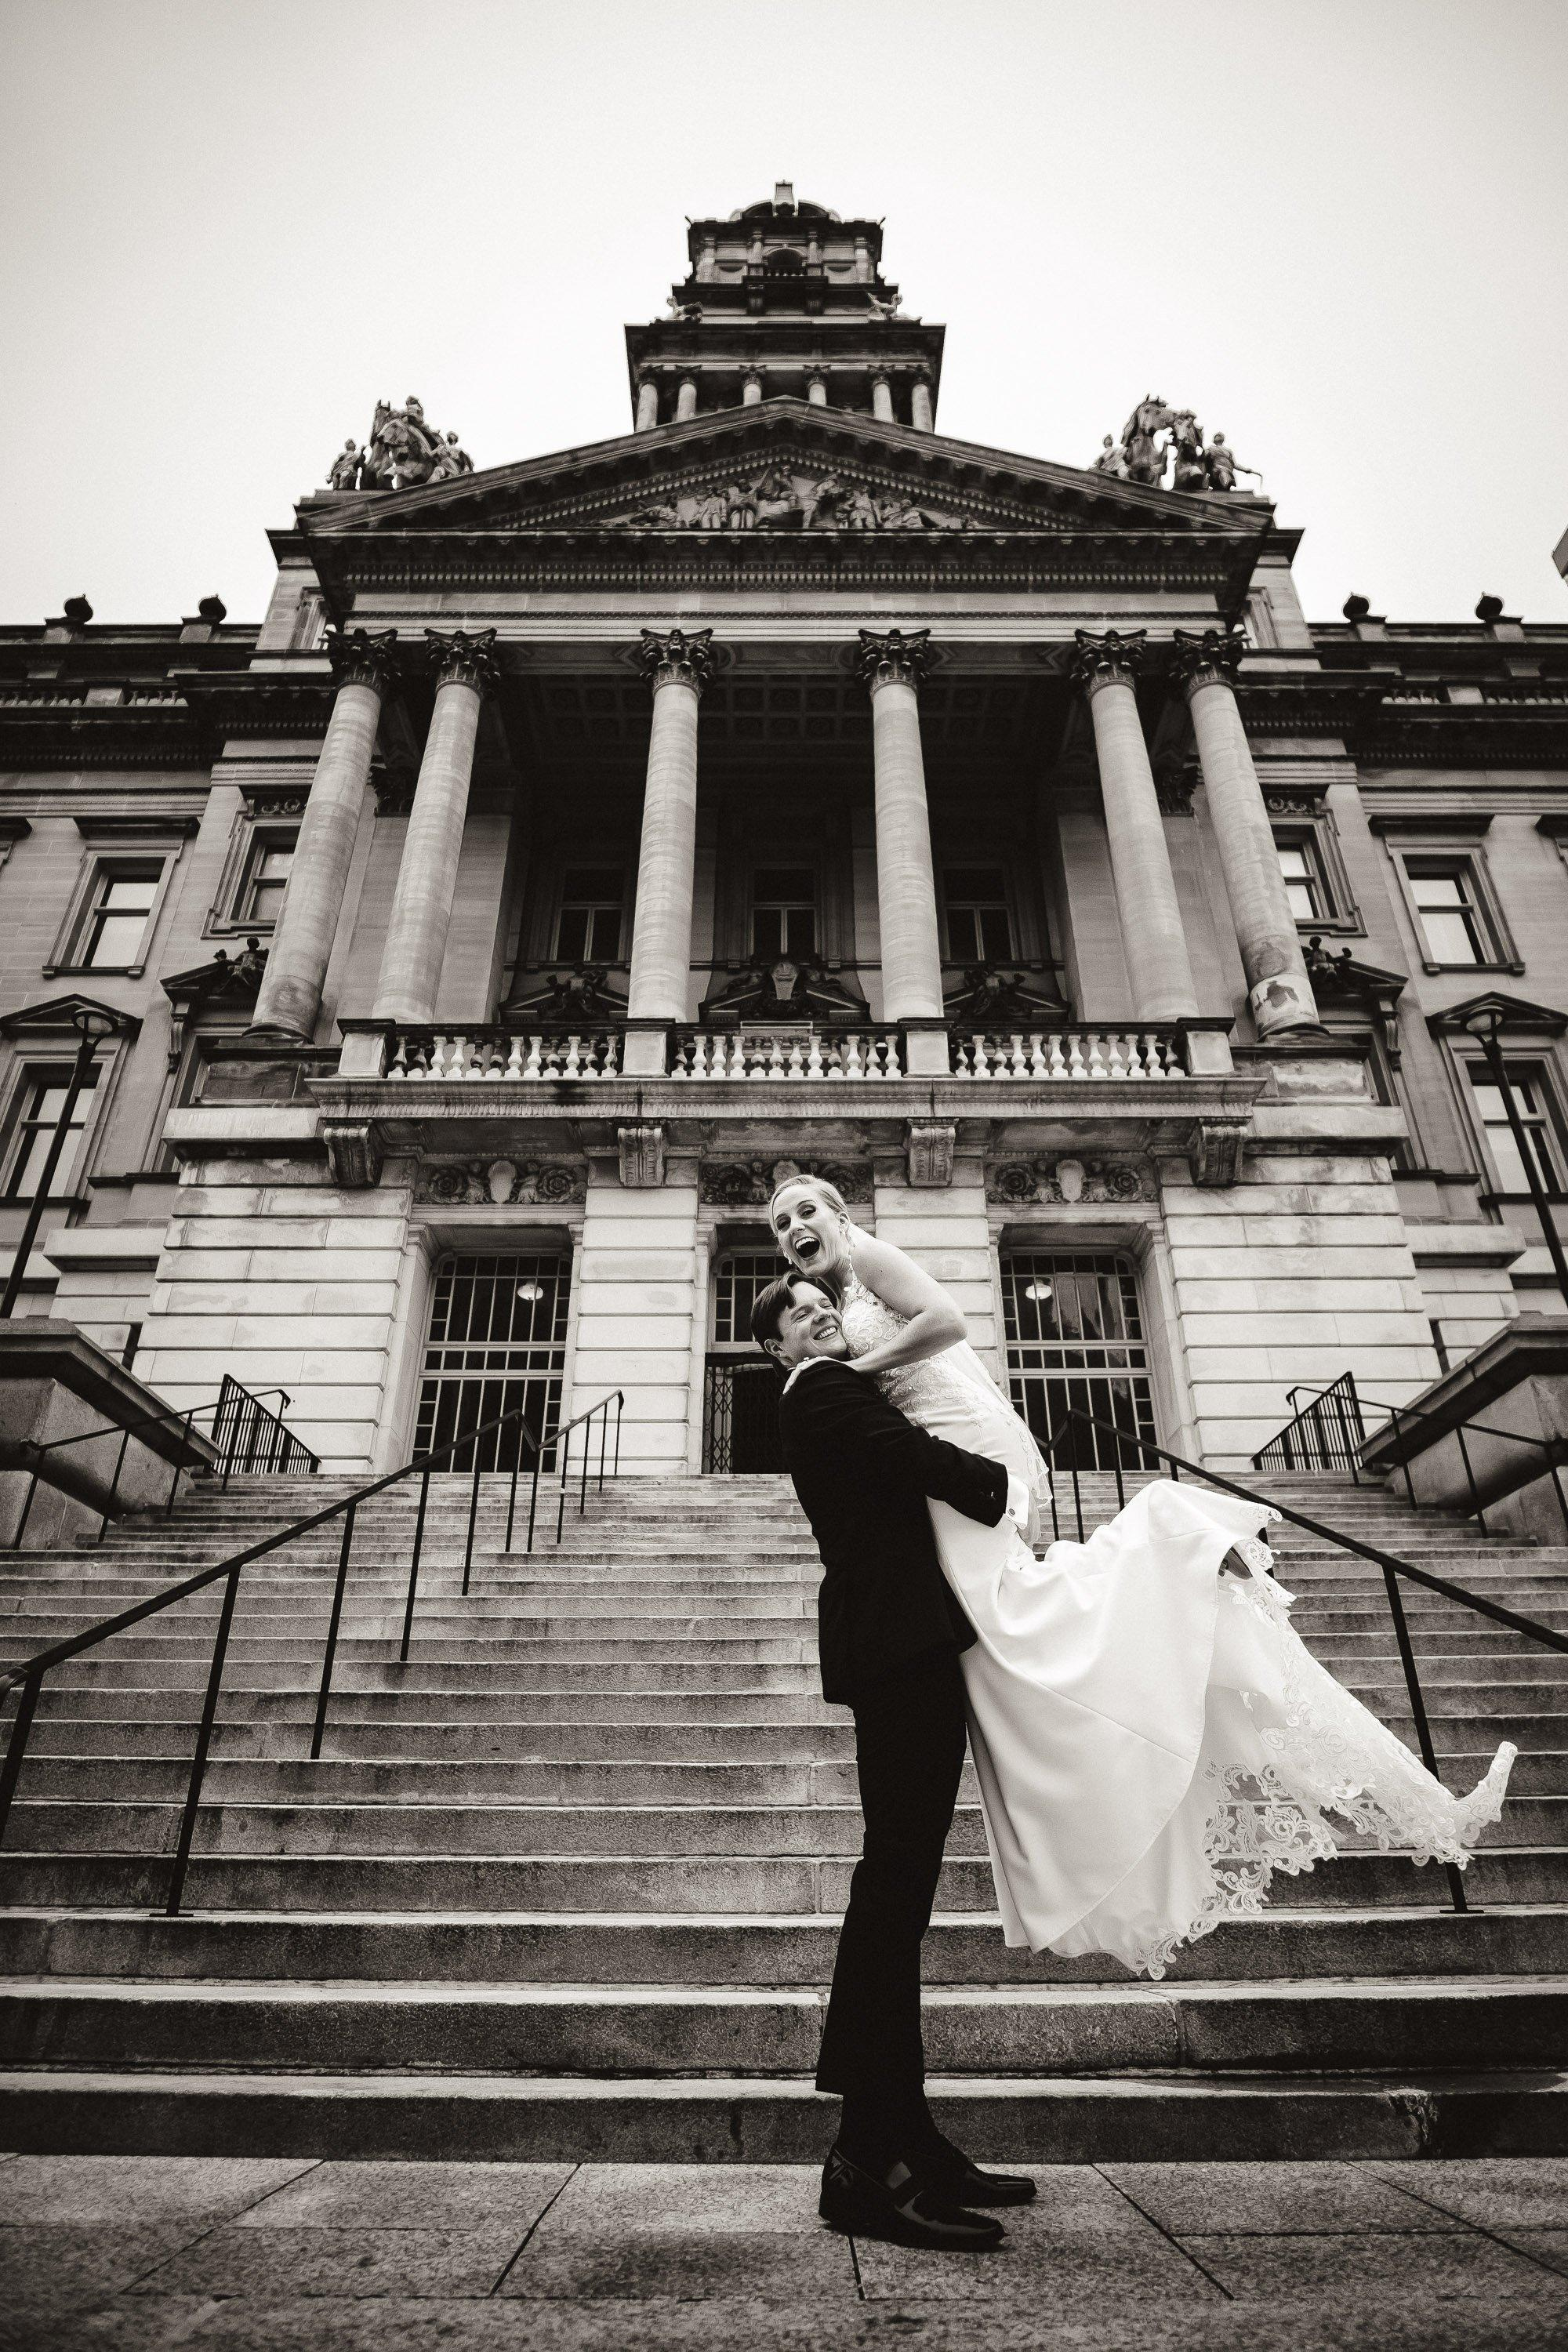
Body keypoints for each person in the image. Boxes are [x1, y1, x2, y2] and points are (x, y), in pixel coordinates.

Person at [767, 1174, 1515, 1980]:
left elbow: (946, 1323)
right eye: (780, 1223)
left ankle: (1171, 1541)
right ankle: (1130, 1657)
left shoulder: (866, 1262)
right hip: (932, 1509)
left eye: (807, 1210)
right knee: (1017, 1622)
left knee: (1023, 1614)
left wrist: (860, 1369)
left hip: (962, 1460)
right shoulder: (825, 1317)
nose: (795, 1227)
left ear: (840, 1216)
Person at [753, 1269, 1036, 2251]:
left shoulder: (830, 1383)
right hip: (899, 1647)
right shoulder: (821, 1389)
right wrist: (990, 1482)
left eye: (819, 1300)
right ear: (776, 1349)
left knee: (900, 1888)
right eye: (795, 1311)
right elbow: (908, 1453)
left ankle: (911, 2136)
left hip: (902, 1641)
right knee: (890, 1892)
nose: (816, 1310)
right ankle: (862, 2163)